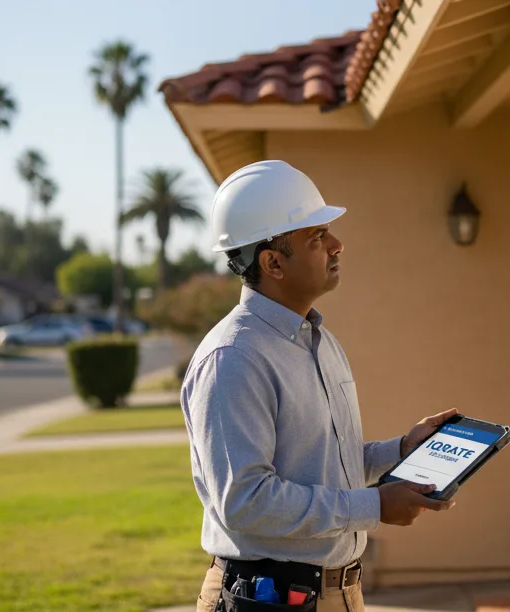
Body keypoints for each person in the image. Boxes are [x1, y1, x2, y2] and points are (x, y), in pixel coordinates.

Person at [182, 160, 456, 612]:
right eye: (317, 237)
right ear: (272, 262)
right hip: (267, 598)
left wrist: (402, 449)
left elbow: (324, 467)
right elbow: (246, 501)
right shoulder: (234, 358)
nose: (336, 245)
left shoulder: (319, 342)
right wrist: (374, 506)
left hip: (338, 593)